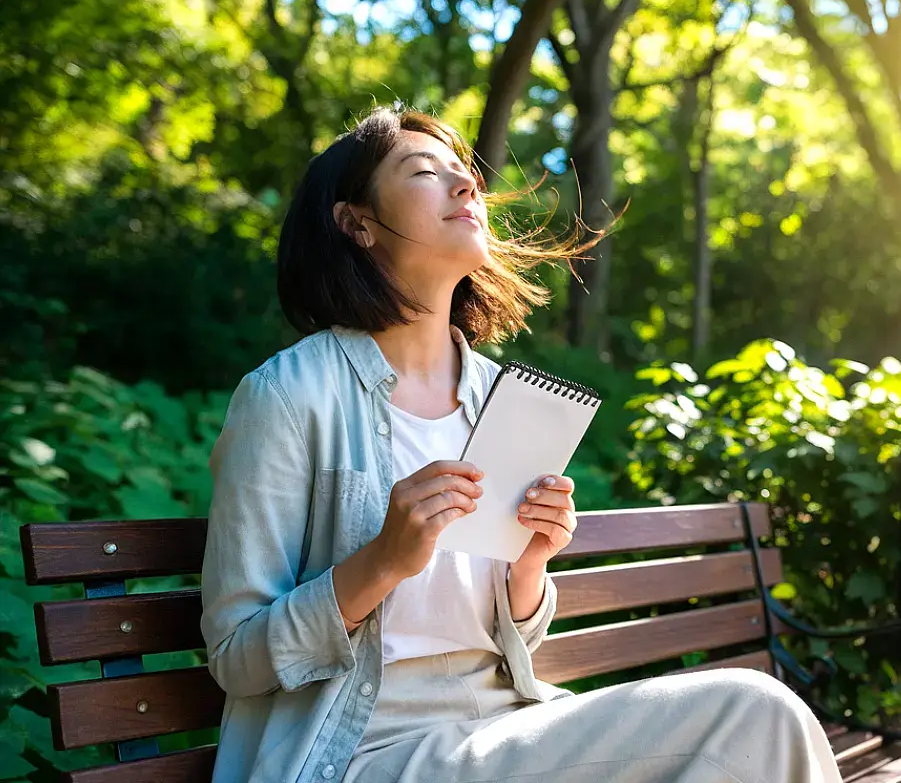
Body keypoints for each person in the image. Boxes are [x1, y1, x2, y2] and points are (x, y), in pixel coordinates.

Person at [199, 103, 842, 783]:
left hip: (506, 726)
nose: (466, 185)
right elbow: (238, 656)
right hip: (358, 755)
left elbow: (513, 641)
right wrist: (383, 561)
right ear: (356, 223)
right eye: (425, 171)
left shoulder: (499, 392)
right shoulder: (288, 395)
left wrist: (528, 567)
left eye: (464, 173)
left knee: (757, 728)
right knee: (752, 713)